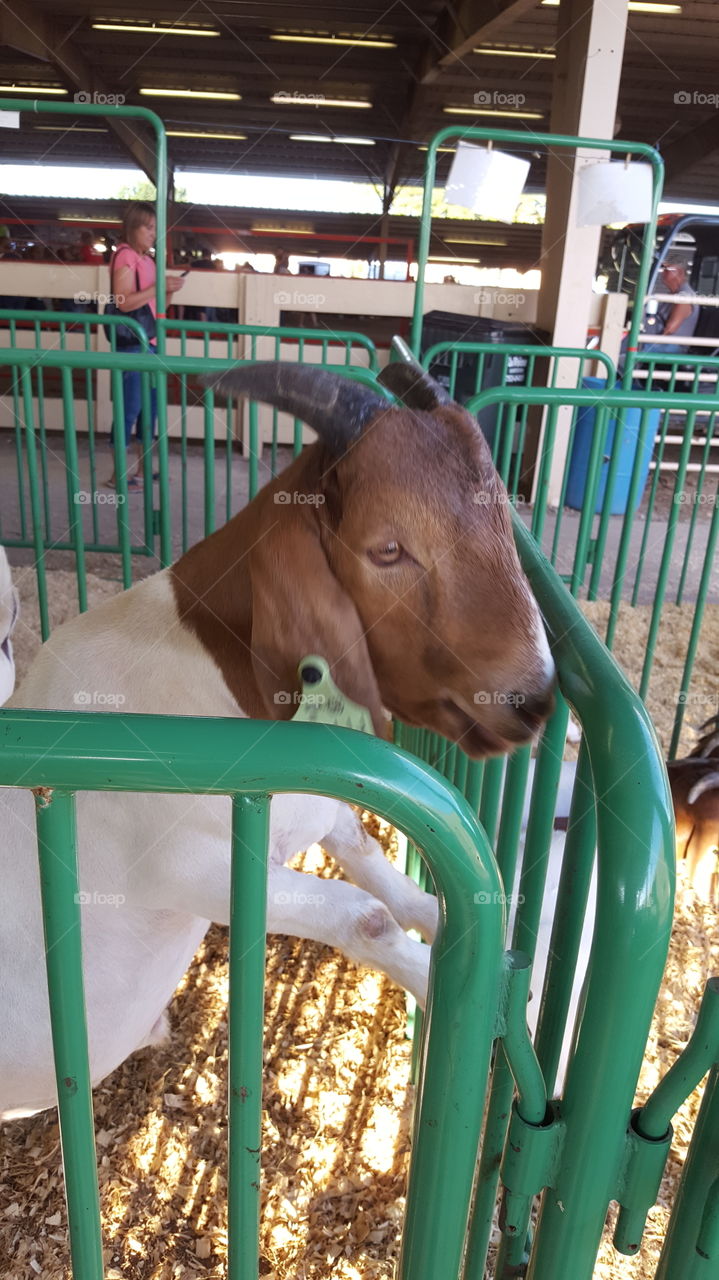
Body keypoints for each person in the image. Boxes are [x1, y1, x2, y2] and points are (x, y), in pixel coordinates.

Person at [106, 202, 185, 490]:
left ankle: (142, 470)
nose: (153, 234)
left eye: (155, 228)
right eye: (148, 228)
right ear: (132, 227)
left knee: (148, 411)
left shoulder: (148, 261)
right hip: (133, 344)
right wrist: (159, 287)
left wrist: (169, 290)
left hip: (149, 343)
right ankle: (117, 475)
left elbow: (158, 305)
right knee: (129, 409)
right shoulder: (126, 255)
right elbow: (123, 301)